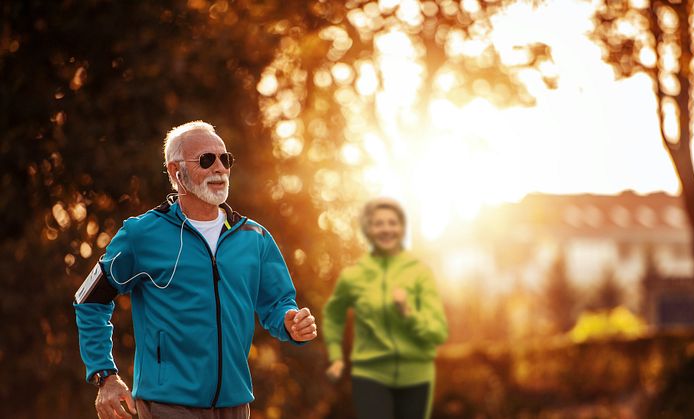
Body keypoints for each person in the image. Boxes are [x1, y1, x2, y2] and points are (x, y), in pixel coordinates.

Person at [73, 121, 317, 419]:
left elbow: (278, 304)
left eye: (225, 159)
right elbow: (90, 299)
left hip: (236, 406)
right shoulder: (142, 235)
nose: (220, 168)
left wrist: (291, 322)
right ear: (176, 172)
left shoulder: (254, 237)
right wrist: (104, 375)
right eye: (206, 160)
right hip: (167, 405)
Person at [322, 198, 448, 419]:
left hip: (416, 376)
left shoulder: (420, 273)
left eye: (393, 223)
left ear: (402, 228)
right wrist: (336, 355)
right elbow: (333, 314)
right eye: (378, 223)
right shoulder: (354, 276)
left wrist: (408, 313)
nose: (386, 229)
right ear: (368, 229)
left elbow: (438, 332)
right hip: (370, 374)